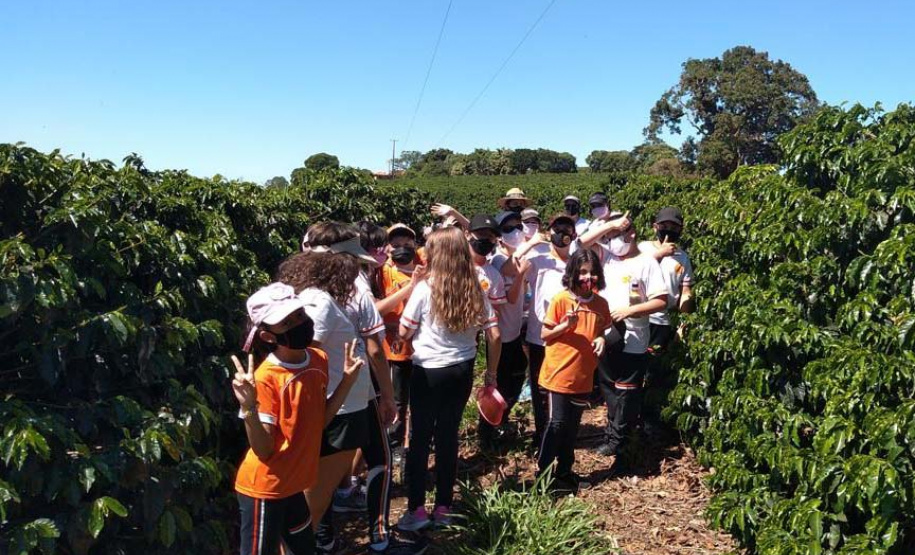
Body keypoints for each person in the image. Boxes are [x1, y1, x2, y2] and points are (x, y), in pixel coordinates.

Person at [302, 223, 425, 555]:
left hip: (320, 397)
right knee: (380, 458)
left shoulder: (298, 288)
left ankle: (324, 537)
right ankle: (380, 537)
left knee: (321, 474)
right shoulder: (351, 288)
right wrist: (387, 397)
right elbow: (373, 347)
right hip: (354, 395)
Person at [232, 282, 363, 555]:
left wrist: (348, 382)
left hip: (293, 485)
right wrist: (249, 408)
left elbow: (319, 422)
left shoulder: (318, 359)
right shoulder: (266, 379)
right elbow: (264, 450)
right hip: (265, 489)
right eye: (287, 322)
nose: (299, 323)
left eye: (300, 315)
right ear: (269, 337)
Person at [396, 227, 501, 531]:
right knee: (447, 437)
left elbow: (404, 332)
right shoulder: (475, 288)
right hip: (462, 370)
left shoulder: (425, 289)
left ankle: (416, 510)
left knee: (419, 440)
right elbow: (494, 333)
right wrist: (491, 373)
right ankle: (443, 507)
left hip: (428, 371)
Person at [579, 213, 668, 461]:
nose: (614, 240)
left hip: (634, 338)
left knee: (627, 391)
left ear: (632, 235)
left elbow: (661, 300)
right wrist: (609, 225)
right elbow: (581, 244)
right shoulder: (606, 258)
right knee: (608, 387)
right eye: (610, 237)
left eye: (619, 235)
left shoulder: (646, 262)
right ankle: (612, 436)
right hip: (607, 336)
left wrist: (630, 311)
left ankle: (624, 442)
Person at [538, 249, 611, 492]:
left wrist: (601, 339)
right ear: (572, 273)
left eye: (591, 272)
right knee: (557, 424)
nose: (587, 277)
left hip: (583, 377)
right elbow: (545, 335)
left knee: (571, 428)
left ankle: (565, 471)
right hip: (558, 375)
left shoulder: (601, 304)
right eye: (582, 272)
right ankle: (543, 474)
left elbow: (602, 330)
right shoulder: (562, 300)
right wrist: (564, 326)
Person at [512, 213, 579, 448]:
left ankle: (562, 433)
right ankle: (542, 434)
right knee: (540, 388)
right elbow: (513, 262)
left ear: (574, 234)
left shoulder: (577, 262)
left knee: (563, 387)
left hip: (568, 337)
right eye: (556, 229)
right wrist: (531, 243)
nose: (561, 234)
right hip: (539, 336)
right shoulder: (539, 260)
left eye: (566, 229)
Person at [477, 210, 530, 448]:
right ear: (499, 237)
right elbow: (511, 273)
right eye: (509, 228)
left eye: (519, 226)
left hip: (514, 332)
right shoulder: (498, 259)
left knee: (514, 379)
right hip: (499, 335)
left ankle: (500, 421)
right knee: (498, 384)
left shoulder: (519, 256)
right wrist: (532, 245)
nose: (516, 231)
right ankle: (488, 430)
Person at [638, 207, 695, 426]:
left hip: (664, 323)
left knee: (654, 371)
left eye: (674, 227)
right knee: (633, 369)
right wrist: (658, 255)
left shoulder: (683, 257)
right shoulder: (642, 249)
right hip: (640, 318)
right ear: (655, 227)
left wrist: (683, 323)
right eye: (664, 226)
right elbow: (631, 272)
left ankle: (649, 419)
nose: (668, 230)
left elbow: (685, 292)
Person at [375, 223, 427, 448]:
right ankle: (395, 444)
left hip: (424, 347)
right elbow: (379, 308)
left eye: (407, 243)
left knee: (420, 399)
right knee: (397, 399)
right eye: (395, 244)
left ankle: (416, 441)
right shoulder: (383, 273)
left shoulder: (425, 267)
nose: (402, 248)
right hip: (396, 349)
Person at [466, 213, 508, 311]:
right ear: (467, 234)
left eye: (490, 237)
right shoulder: (452, 264)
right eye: (481, 234)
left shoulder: (494, 276)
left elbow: (496, 312)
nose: (486, 239)